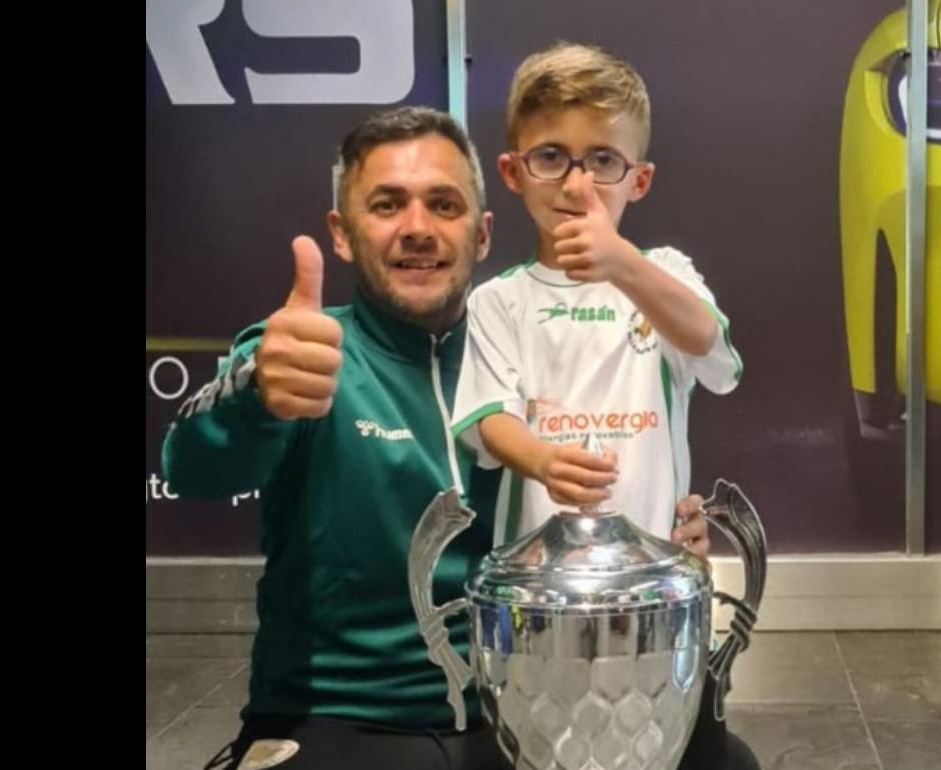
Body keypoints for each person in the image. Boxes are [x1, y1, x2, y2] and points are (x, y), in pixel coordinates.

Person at [160, 105, 726, 770]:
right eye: (387, 205)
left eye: (444, 205)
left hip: (526, 707)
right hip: (345, 715)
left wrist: (654, 531)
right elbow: (193, 466)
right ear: (342, 234)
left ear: (482, 235)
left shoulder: (536, 351)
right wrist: (256, 394)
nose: (418, 229)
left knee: (719, 755)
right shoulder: (305, 352)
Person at [449, 42, 758, 770]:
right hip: (542, 603)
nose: (577, 182)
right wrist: (543, 459)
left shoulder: (664, 276)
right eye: (552, 156)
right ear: (513, 172)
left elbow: (713, 353)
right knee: (552, 739)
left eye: (604, 161)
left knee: (657, 735)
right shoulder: (499, 301)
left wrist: (624, 264)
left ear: (639, 179)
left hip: (657, 591)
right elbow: (484, 422)